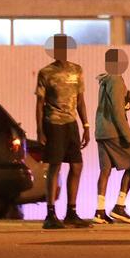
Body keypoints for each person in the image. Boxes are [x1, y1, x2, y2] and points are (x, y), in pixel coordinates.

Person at [36, 34, 91, 229]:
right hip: (53, 123)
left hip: (71, 123)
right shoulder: (46, 73)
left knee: (76, 166)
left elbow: (81, 100)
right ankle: (50, 213)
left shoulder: (77, 70)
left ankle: (71, 212)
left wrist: (86, 125)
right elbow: (40, 103)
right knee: (55, 166)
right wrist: (40, 130)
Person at [93, 49, 130, 224]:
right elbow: (117, 111)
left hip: (101, 131)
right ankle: (120, 206)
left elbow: (112, 105)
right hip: (114, 131)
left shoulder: (104, 80)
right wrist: (128, 136)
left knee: (105, 170)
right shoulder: (116, 80)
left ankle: (99, 210)